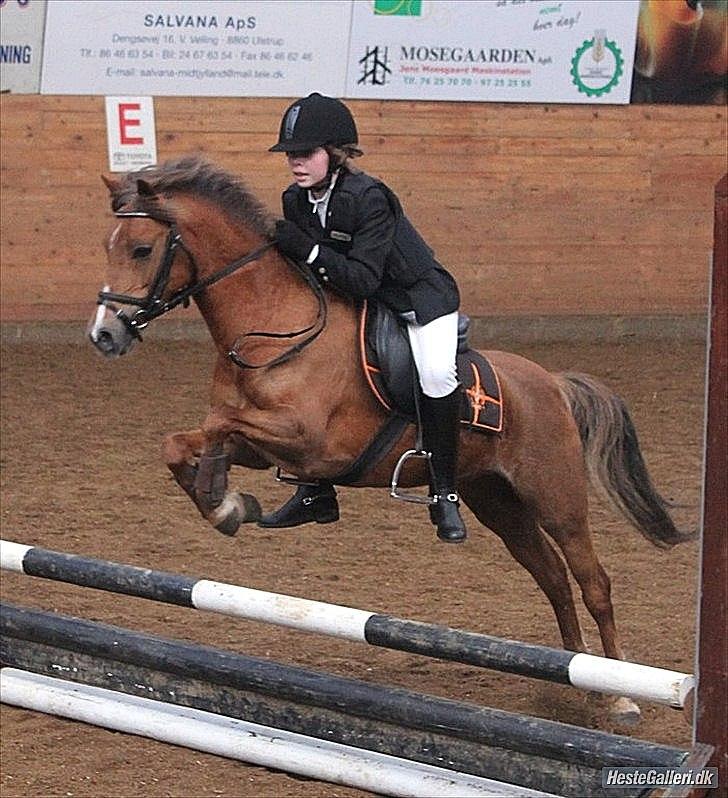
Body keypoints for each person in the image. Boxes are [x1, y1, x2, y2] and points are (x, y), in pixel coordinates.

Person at [259, 92, 466, 543]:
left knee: (435, 374)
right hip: (359, 299)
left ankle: (445, 493)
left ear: (334, 155)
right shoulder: (296, 200)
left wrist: (309, 250)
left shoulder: (369, 197)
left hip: (417, 299)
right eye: (290, 154)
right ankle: (314, 491)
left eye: (305, 154)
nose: (295, 163)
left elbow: (364, 278)